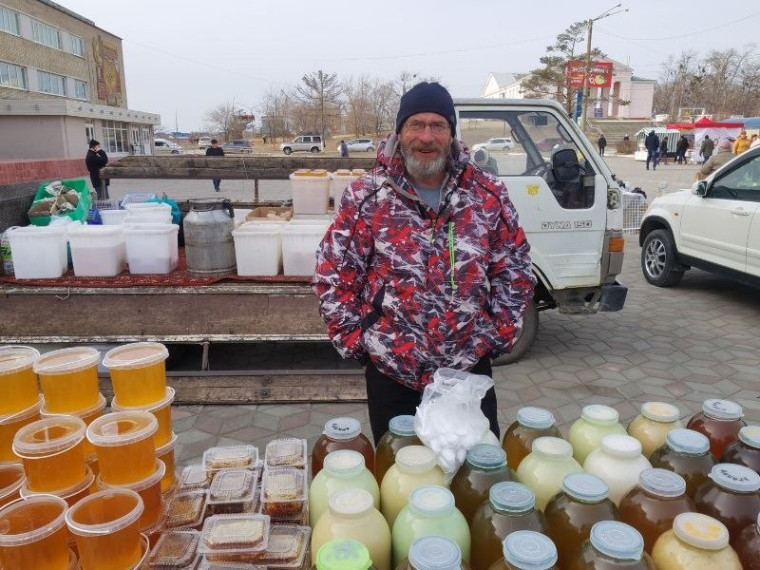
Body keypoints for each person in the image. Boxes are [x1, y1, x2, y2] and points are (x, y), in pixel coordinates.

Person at [312, 81, 535, 444]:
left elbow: (515, 269)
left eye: (438, 126)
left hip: (465, 370)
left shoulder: (486, 194)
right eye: (416, 125)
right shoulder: (367, 196)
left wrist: (497, 334)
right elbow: (333, 272)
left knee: (474, 474)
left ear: (452, 134)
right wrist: (359, 341)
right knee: (400, 474)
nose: (427, 136)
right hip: (392, 371)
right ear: (399, 132)